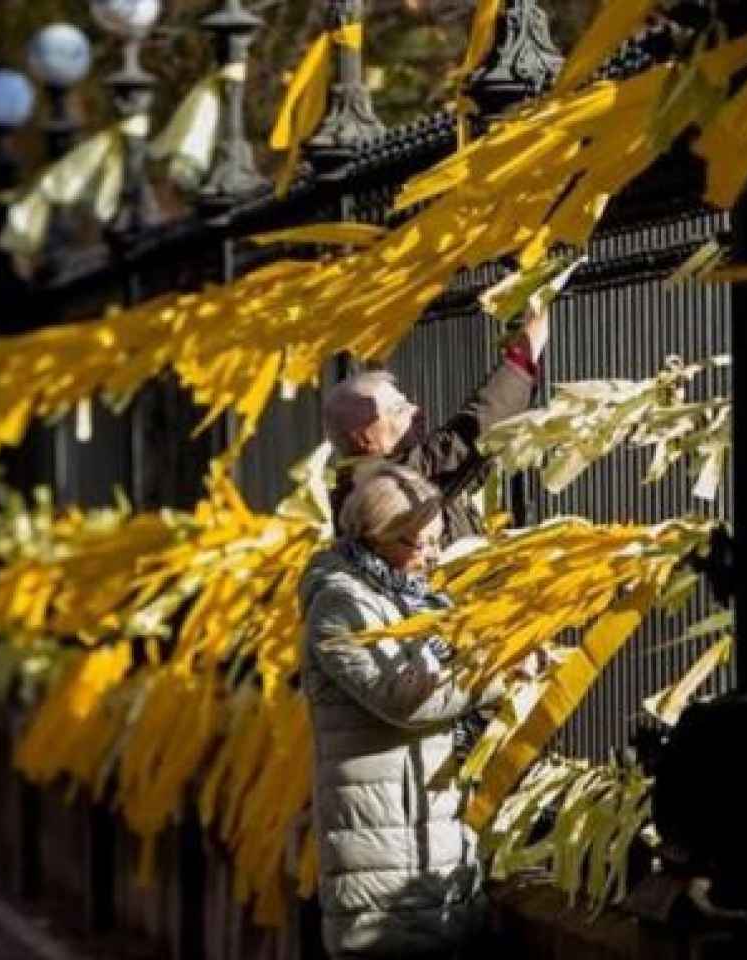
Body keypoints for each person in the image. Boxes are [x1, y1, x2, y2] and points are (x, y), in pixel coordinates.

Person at [300, 462, 536, 959]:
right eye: (418, 543)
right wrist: (496, 674)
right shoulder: (339, 605)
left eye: (436, 540)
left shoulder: (419, 599)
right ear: (376, 536)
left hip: (430, 836)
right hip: (381, 851)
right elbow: (403, 699)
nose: (431, 557)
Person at [322, 303, 550, 547]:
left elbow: (469, 463)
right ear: (365, 438)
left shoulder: (357, 486)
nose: (417, 411)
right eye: (399, 410)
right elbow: (469, 437)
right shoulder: (387, 485)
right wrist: (524, 355)